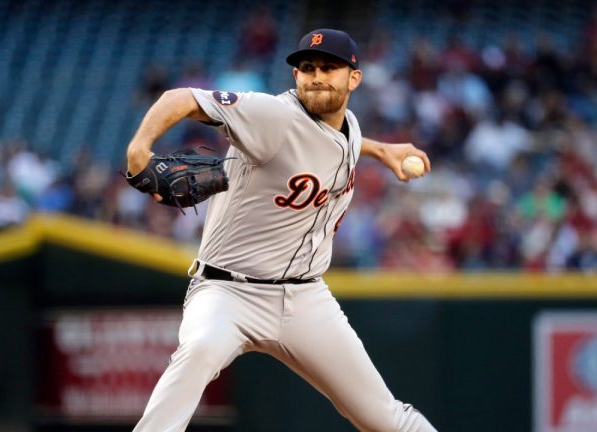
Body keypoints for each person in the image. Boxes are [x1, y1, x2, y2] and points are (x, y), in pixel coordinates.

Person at [125, 28, 437, 432]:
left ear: (353, 79)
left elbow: (334, 140)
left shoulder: (349, 125)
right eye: (307, 68)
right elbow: (180, 99)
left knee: (383, 417)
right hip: (228, 291)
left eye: (329, 67)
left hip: (306, 298)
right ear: (295, 77)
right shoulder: (271, 115)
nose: (316, 76)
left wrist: (381, 150)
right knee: (199, 349)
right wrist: (139, 147)